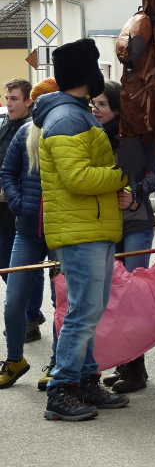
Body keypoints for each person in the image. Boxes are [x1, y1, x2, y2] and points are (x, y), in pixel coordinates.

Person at [33, 38, 130, 420]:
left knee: (91, 310)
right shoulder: (67, 117)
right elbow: (77, 177)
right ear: (86, 73)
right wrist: (121, 173)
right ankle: (61, 389)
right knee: (83, 312)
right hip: (80, 230)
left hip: (91, 227)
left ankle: (86, 381)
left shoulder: (75, 112)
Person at [90, 80, 155, 393]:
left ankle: (135, 368)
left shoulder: (135, 136)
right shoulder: (92, 135)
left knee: (132, 298)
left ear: (117, 107)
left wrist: (135, 193)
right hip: (104, 226)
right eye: (94, 104)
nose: (96, 109)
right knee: (112, 298)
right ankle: (125, 362)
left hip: (135, 223)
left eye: (103, 104)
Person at [0, 79, 58, 390]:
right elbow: (8, 172)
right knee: (13, 303)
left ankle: (58, 363)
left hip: (63, 233)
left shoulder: (73, 131)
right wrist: (19, 204)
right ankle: (14, 360)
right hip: (27, 229)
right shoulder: (25, 132)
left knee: (62, 302)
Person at [0, 78, 44, 344]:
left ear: (29, 102)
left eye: (14, 99)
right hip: (5, 206)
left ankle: (31, 316)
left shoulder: (33, 129)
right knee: (5, 264)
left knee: (28, 267)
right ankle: (29, 311)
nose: (8, 103)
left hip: (20, 207)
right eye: (6, 98)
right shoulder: (5, 125)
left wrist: (16, 198)